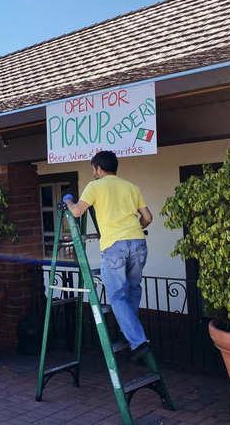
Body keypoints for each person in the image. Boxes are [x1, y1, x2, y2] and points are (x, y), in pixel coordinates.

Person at [62, 151, 153, 363]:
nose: (93, 173)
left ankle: (138, 341)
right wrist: (133, 229)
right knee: (133, 289)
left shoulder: (95, 186)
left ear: (99, 168)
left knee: (117, 296)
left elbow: (76, 212)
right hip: (138, 243)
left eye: (94, 169)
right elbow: (147, 217)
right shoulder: (131, 187)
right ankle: (128, 332)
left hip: (114, 246)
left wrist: (67, 200)